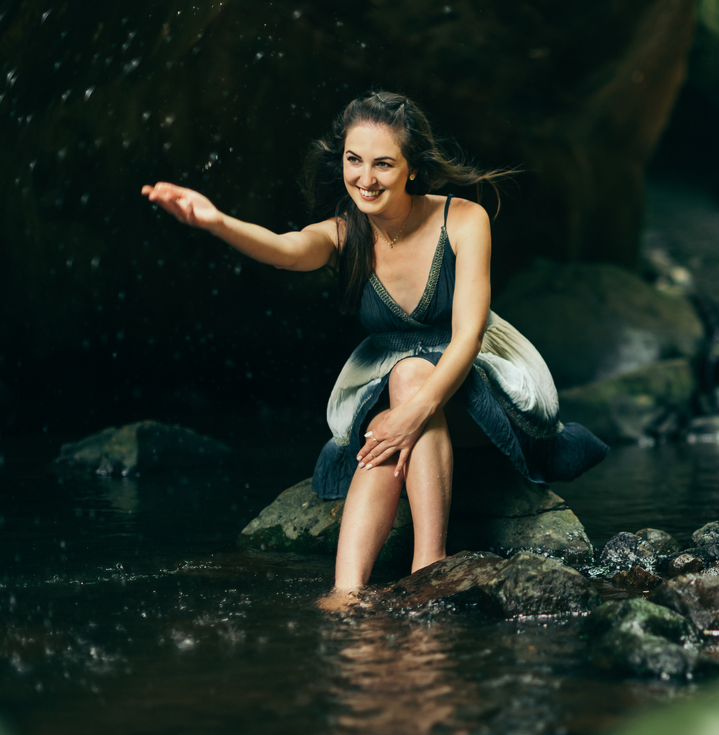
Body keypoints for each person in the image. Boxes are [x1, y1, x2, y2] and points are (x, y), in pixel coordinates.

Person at [142, 91, 608, 609]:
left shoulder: (465, 219)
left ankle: (429, 564)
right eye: (353, 160)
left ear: (412, 169)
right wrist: (215, 222)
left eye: (383, 163)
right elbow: (285, 251)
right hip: (405, 393)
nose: (365, 178)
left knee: (408, 384)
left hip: (480, 381)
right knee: (391, 412)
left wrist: (412, 413)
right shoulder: (345, 232)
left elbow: (469, 336)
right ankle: (346, 594)